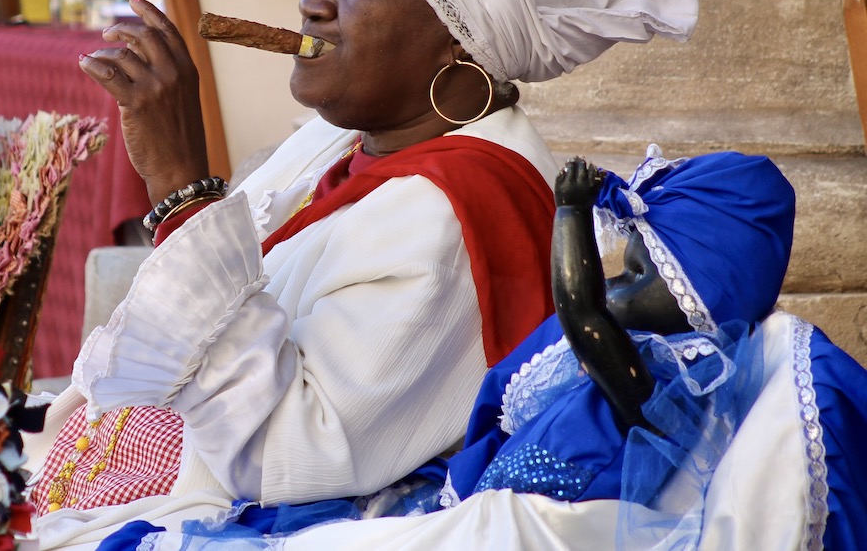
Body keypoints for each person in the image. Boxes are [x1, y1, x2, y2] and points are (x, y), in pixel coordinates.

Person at [25, 0, 700, 549]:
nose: (313, 1)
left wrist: (184, 192)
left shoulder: (457, 209)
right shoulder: (344, 144)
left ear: (459, 40)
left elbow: (281, 454)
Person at [109, 148, 867, 550]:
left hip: (528, 516)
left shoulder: (680, 373)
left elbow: (581, 310)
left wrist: (572, 210)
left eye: (643, 266)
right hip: (475, 495)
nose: (619, 273)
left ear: (691, 291)